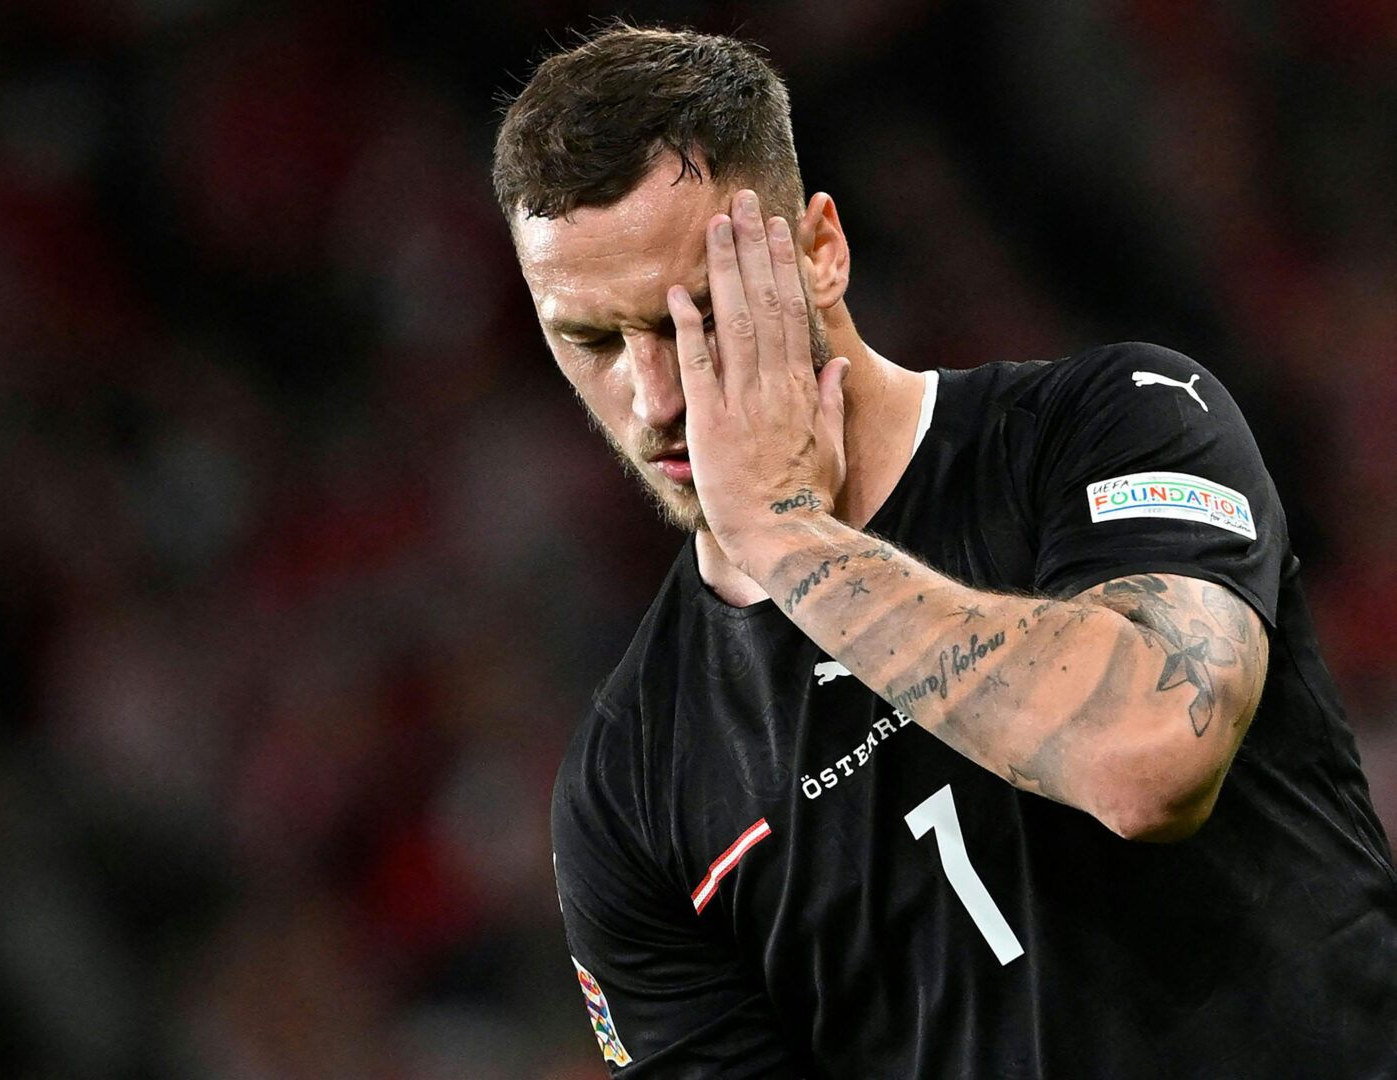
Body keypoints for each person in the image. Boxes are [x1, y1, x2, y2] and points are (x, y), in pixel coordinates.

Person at [493, 24, 1397, 1079]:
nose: (653, 400)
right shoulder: (628, 787)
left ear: (820, 251)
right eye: (593, 341)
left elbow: (1151, 759)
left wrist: (785, 532)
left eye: (694, 318)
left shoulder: (1116, 423)